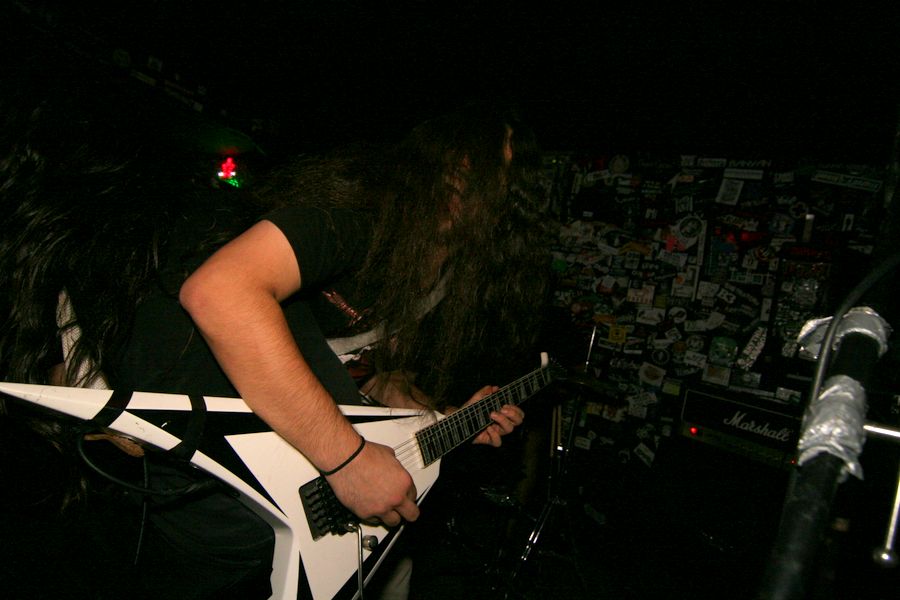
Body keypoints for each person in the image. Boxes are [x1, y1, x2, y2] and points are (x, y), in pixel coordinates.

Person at [0, 46, 552, 597]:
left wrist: (446, 418)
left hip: (267, 427)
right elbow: (221, 291)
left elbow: (377, 380)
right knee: (220, 545)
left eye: (486, 169)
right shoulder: (366, 213)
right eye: (458, 160)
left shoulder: (442, 283)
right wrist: (348, 458)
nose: (463, 177)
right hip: (174, 362)